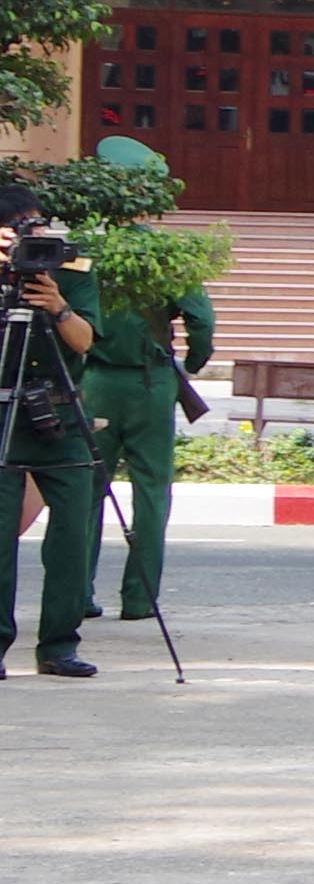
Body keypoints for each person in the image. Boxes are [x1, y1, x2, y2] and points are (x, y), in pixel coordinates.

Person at [71, 137, 208, 650]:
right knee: (151, 494)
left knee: (84, 492)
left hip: (96, 382)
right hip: (151, 385)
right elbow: (202, 320)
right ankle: (140, 596)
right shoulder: (167, 254)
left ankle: (77, 593)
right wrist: (189, 364)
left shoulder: (85, 248)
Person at [0, 175, 103, 677]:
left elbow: (84, 342)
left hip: (60, 415)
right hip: (2, 413)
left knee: (72, 533)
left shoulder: (70, 267)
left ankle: (59, 644)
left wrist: (57, 304)